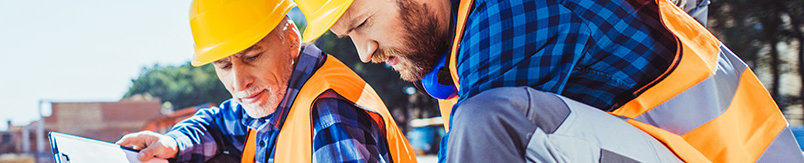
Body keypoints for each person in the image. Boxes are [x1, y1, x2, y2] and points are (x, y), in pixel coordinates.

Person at [295, 0, 803, 162]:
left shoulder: (503, 26)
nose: (364, 53)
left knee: (486, 123)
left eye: (362, 25)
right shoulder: (462, 46)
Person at [115, 0, 416, 162]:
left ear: (290, 40)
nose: (239, 82)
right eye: (223, 65)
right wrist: (171, 142)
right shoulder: (272, 97)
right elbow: (215, 123)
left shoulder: (330, 115)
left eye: (253, 56)